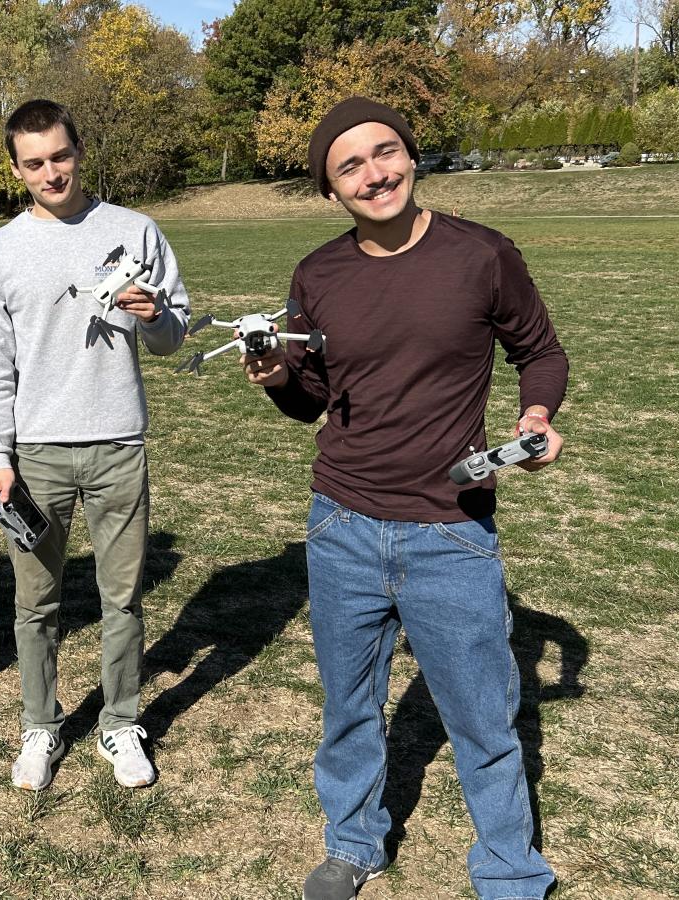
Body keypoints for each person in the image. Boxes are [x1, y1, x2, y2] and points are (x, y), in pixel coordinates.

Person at [243, 97, 567, 900]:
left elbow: (541, 351)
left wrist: (535, 417)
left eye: (385, 152)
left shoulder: (483, 256)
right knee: (349, 710)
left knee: (483, 721)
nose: (374, 173)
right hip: (342, 524)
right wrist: (280, 377)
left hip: (449, 531)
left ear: (412, 156)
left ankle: (511, 870)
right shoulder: (317, 275)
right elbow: (314, 400)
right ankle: (353, 843)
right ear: (329, 188)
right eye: (349, 165)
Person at [0, 99, 190, 793]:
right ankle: (40, 724)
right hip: (35, 456)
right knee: (36, 603)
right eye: (33, 163)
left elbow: (174, 336)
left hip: (119, 442)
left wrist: (155, 317)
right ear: (15, 169)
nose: (50, 172)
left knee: (122, 599)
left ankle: (120, 723)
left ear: (78, 151)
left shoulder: (135, 230)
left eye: (59, 156)